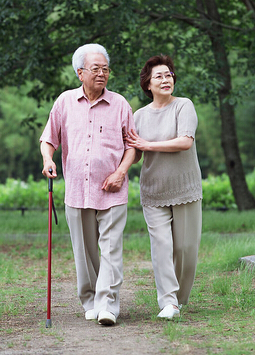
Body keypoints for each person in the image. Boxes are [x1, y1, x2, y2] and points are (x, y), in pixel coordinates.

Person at [40, 43, 136, 326]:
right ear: (79, 72)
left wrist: (120, 172)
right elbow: (49, 139)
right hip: (77, 190)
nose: (102, 74)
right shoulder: (65, 102)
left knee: (111, 248)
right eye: (96, 69)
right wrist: (48, 159)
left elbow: (132, 145)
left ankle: (108, 304)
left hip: (113, 190)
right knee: (84, 252)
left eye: (106, 69)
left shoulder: (120, 104)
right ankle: (90, 298)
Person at [125, 55, 202, 319]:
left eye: (168, 75)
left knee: (185, 250)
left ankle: (179, 299)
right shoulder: (138, 116)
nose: (165, 79)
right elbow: (134, 153)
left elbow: (185, 142)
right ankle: (168, 302)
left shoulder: (184, 106)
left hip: (185, 189)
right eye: (159, 76)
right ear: (147, 84)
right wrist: (118, 168)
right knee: (161, 247)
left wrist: (147, 145)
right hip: (153, 191)